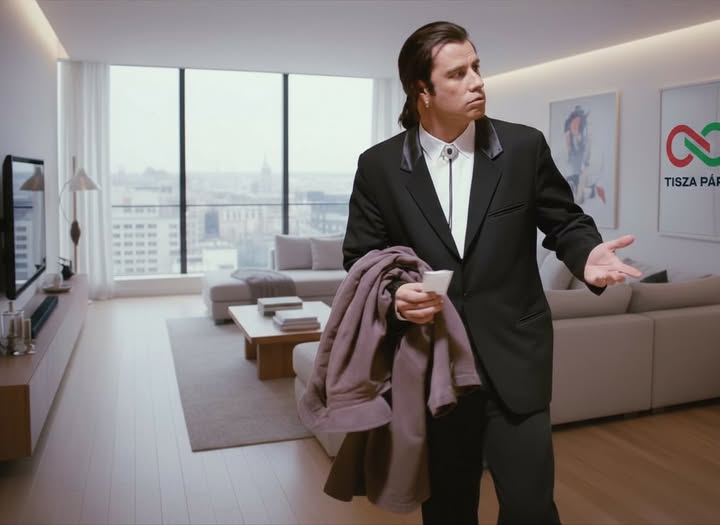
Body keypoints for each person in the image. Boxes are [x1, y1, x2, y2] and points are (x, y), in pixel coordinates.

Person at [342, 21, 641, 525]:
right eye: (458, 73)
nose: (478, 81)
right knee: (448, 511)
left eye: (477, 67)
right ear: (422, 90)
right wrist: (396, 297)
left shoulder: (524, 147)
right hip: (435, 366)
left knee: (531, 510)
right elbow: (362, 258)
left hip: (516, 360)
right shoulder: (379, 166)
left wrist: (586, 254)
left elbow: (565, 221)